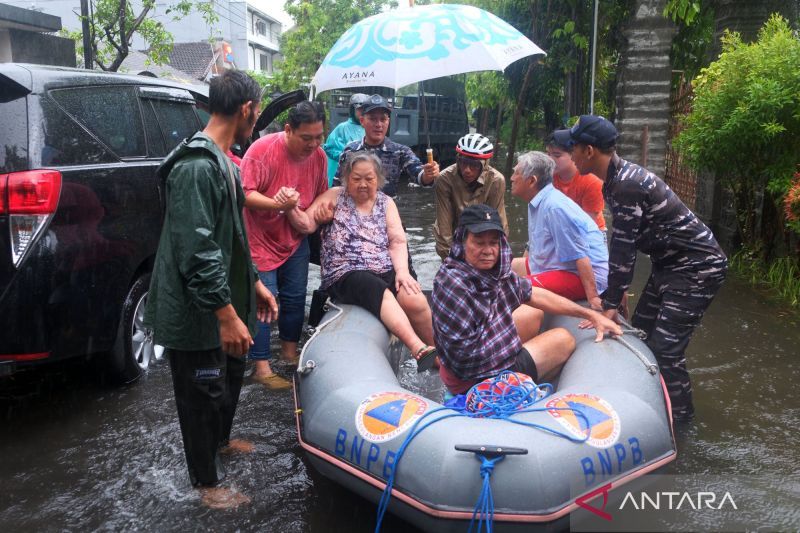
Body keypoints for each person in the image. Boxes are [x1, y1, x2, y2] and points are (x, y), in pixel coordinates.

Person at [144, 70, 278, 508]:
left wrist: (253, 281)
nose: (257, 119)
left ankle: (220, 443)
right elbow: (197, 250)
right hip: (197, 308)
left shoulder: (223, 159)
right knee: (202, 393)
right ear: (247, 109)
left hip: (226, 297)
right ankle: (206, 485)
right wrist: (225, 313)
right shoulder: (196, 166)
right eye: (257, 111)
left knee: (227, 378)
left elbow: (233, 234)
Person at [569, 114, 728, 421]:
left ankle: (681, 423)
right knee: (641, 334)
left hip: (697, 268)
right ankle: (648, 405)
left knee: (666, 350)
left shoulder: (626, 184)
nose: (571, 154)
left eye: (573, 147)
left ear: (589, 151)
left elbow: (623, 249)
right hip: (668, 264)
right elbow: (623, 247)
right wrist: (613, 296)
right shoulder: (614, 181)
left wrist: (609, 304)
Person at [432, 204, 621, 395]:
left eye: (493, 242)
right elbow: (465, 362)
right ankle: (519, 392)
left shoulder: (494, 273)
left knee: (533, 312)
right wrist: (513, 348)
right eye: (479, 243)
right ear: (462, 241)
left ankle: (524, 376)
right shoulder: (454, 284)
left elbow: (532, 293)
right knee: (563, 340)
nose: (488, 250)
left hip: (483, 350)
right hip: (472, 380)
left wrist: (590, 314)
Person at [287, 151, 437, 370]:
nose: (363, 184)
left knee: (414, 299)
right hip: (345, 271)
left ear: (379, 179)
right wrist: (290, 207)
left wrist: (403, 272)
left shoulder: (386, 202)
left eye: (369, 179)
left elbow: (396, 241)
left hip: (383, 266)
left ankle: (438, 355)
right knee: (375, 287)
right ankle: (417, 348)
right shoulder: (334, 196)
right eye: (357, 179)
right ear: (346, 178)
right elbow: (306, 224)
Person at [241, 101, 328, 387]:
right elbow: (245, 195)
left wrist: (312, 216)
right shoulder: (262, 150)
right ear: (289, 130)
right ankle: (262, 367)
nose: (313, 144)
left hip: (294, 239)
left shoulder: (319, 157)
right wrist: (278, 203)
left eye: (318, 137)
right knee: (265, 302)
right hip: (259, 239)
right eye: (306, 138)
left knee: (294, 298)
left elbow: (320, 194)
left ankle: (289, 354)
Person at [509, 151, 609, 310]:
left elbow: (580, 255)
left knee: (515, 288)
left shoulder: (555, 207)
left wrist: (593, 297)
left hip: (582, 274)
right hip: (560, 266)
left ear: (532, 181)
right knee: (502, 266)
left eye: (516, 173)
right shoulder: (537, 200)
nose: (512, 178)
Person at [334, 94, 439, 198]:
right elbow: (337, 187)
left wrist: (428, 174)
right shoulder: (350, 151)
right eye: (373, 119)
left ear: (388, 121)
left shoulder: (400, 152)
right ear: (362, 121)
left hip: (388, 208)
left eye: (383, 119)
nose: (378, 124)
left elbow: (420, 175)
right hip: (355, 207)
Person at [433, 133, 508, 260]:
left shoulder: (496, 181)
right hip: (454, 232)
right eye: (463, 163)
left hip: (483, 234)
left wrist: (499, 256)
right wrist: (451, 259)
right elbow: (444, 226)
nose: (467, 170)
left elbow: (499, 221)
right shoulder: (444, 178)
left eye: (474, 165)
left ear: (484, 164)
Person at [545, 129, 606, 232]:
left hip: (591, 232)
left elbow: (587, 223)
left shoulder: (592, 181)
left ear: (574, 154)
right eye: (548, 154)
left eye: (557, 155)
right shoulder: (547, 177)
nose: (549, 160)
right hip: (560, 227)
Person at [323, 93, 368, 186]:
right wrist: (346, 157)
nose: (362, 112)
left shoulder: (369, 128)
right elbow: (329, 148)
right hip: (344, 174)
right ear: (352, 110)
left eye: (364, 109)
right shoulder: (342, 128)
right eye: (359, 109)